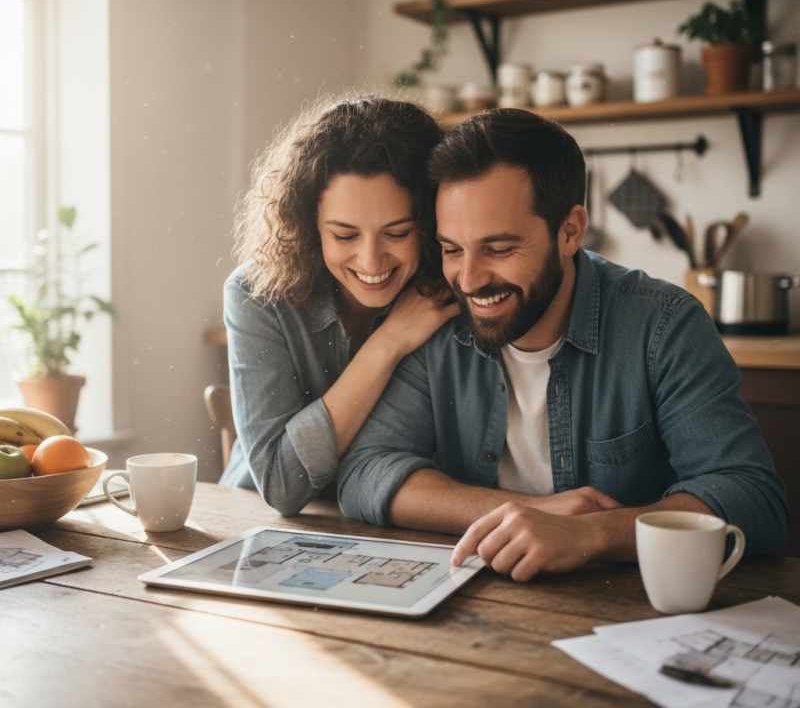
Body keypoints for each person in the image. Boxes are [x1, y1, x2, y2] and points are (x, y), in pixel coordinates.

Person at [338, 108, 789, 580]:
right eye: (452, 249)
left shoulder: (664, 325)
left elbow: (753, 497)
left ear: (570, 231)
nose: (468, 280)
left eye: (499, 248)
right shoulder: (436, 318)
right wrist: (529, 513)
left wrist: (590, 534)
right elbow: (366, 471)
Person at [219, 95, 459, 515]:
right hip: (255, 517)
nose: (371, 261)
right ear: (308, 225)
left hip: (390, 520)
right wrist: (389, 342)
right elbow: (281, 485)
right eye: (344, 236)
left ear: (429, 222)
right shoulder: (257, 294)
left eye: (397, 233)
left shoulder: (452, 288)